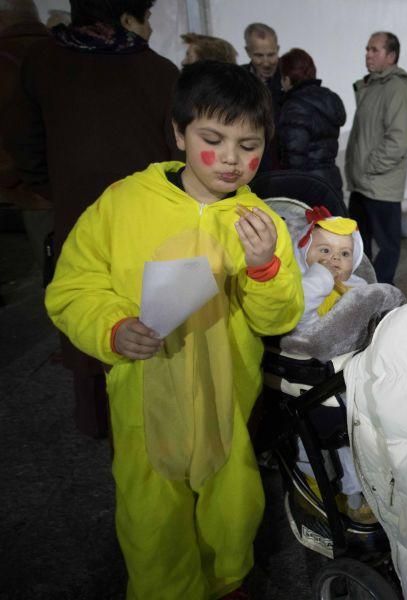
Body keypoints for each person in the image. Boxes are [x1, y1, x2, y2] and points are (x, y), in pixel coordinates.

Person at [44, 61, 302, 599]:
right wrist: (113, 328)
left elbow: (277, 319)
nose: (232, 159)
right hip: (144, 400)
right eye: (214, 139)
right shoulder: (123, 204)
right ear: (179, 132)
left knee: (231, 508)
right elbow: (74, 287)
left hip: (225, 401)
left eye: (249, 145)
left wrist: (264, 268)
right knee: (151, 518)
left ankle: (228, 579)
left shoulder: (263, 225)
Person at [2, 0, 180, 439]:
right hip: (149, 225)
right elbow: (179, 155)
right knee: (147, 314)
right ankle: (155, 414)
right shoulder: (158, 72)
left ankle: (101, 421)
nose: (151, 28)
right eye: (147, 17)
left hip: (77, 216)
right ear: (126, 17)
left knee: (86, 305)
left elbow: (24, 144)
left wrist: (58, 188)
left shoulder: (41, 63)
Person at [345, 31, 407, 285]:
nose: (368, 54)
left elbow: (398, 140)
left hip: (381, 185)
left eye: (374, 50)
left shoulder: (397, 89)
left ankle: (382, 297)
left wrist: (369, 166)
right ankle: (363, 291)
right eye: (367, 49)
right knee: (358, 244)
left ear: (391, 56)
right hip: (363, 183)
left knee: (387, 246)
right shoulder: (372, 85)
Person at [0, 0, 50, 269]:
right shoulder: (64, 53)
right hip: (76, 184)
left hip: (30, 192)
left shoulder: (4, 60)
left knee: (55, 276)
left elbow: (18, 135)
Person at [278, 48, 346, 195]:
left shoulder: (294, 106)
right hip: (331, 180)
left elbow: (294, 157)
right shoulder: (330, 99)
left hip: (308, 186)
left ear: (288, 78)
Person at [294, 206, 367, 329]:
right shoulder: (299, 287)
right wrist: (320, 278)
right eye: (325, 250)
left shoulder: (358, 287)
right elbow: (300, 318)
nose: (336, 257)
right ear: (302, 253)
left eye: (345, 253)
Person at [242, 22, 282, 173]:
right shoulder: (238, 80)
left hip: (281, 169)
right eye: (259, 55)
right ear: (248, 52)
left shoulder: (291, 77)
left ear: (278, 49)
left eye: (271, 55)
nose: (266, 63)